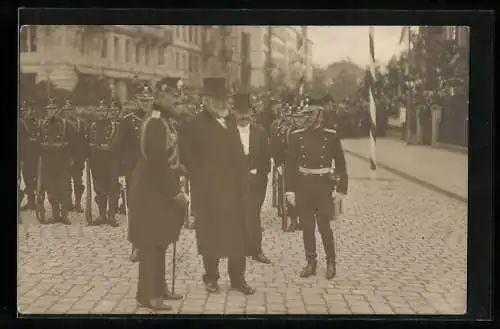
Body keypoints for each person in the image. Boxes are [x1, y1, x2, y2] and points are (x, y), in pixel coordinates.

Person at [179, 77, 256, 295]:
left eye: (224, 99)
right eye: (216, 99)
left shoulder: (230, 121)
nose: (222, 103)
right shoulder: (193, 125)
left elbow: (239, 153)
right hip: (208, 192)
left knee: (237, 235)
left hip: (233, 191)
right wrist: (205, 176)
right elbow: (186, 158)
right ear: (205, 100)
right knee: (209, 235)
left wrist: (243, 178)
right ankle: (211, 278)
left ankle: (238, 278)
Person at [128, 85, 187, 311]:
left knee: (160, 240)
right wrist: (175, 192)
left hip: (157, 189)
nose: (177, 100)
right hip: (151, 191)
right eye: (174, 96)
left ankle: (159, 288)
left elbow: (166, 156)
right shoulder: (155, 123)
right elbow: (157, 161)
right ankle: (147, 296)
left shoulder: (163, 120)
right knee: (151, 243)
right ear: (161, 97)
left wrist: (180, 167)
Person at [285, 90, 349, 280]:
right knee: (306, 227)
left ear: (321, 116)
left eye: (314, 114)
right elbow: (290, 165)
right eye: (308, 113)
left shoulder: (331, 136)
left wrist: (340, 190)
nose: (310, 118)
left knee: (324, 226)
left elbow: (341, 165)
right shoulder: (296, 136)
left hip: (323, 187)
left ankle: (331, 261)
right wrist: (289, 190)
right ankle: (311, 262)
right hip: (304, 186)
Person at [112, 85, 154, 262]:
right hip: (134, 173)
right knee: (136, 210)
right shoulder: (128, 121)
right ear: (137, 101)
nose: (145, 103)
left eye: (148, 100)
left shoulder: (159, 120)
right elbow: (116, 147)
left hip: (155, 174)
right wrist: (121, 171)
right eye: (142, 100)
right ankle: (136, 247)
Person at [232, 91, 272, 264]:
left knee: (254, 215)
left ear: (251, 113)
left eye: (246, 112)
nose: (243, 116)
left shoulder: (260, 132)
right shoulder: (227, 132)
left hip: (255, 181)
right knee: (236, 215)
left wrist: (261, 177)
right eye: (240, 112)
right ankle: (238, 248)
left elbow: (266, 157)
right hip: (233, 182)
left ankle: (256, 250)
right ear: (233, 112)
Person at [38, 98, 77, 225]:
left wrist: (72, 158)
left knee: (64, 188)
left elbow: (74, 144)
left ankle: (64, 215)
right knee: (51, 189)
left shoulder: (67, 124)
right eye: (49, 109)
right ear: (46, 110)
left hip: (63, 161)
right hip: (48, 162)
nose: (51, 111)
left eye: (53, 108)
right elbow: (38, 144)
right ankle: (55, 214)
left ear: (57, 110)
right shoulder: (42, 124)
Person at [86, 100, 120, 227]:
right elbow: (88, 143)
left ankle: (111, 216)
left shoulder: (114, 126)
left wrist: (109, 147)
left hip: (111, 162)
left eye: (103, 110)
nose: (101, 113)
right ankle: (102, 215)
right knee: (99, 189)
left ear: (107, 112)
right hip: (97, 162)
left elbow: (118, 144)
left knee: (112, 189)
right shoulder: (93, 126)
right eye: (99, 110)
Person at [62, 99, 88, 213]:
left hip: (78, 157)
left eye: (70, 110)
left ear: (74, 110)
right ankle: (68, 203)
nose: (68, 112)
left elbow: (84, 140)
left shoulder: (80, 123)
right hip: (65, 156)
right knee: (66, 180)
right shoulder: (60, 123)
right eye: (66, 110)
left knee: (78, 181)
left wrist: (84, 156)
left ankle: (78, 203)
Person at [19, 100, 40, 212]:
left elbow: (40, 139)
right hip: (25, 156)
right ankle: (30, 202)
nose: (26, 111)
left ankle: (35, 201)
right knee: (27, 179)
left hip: (35, 156)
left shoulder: (37, 122)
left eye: (28, 109)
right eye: (24, 109)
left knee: (35, 179)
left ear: (33, 110)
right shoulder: (21, 123)